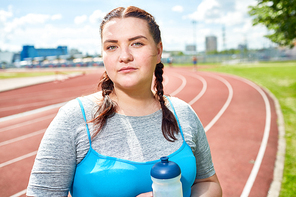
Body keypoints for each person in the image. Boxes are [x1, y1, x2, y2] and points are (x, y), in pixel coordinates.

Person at [26, 6, 222, 197]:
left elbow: (208, 182)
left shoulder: (183, 113)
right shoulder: (74, 118)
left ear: (158, 50)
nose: (124, 56)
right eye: (112, 46)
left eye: (137, 43)